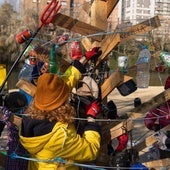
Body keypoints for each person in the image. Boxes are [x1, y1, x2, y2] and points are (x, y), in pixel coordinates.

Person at [19, 47, 102, 170]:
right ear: (60, 102)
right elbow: (90, 150)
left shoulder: (33, 112)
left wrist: (83, 60)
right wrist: (91, 119)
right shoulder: (60, 137)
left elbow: (61, 86)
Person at [0, 91, 28, 170]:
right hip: (17, 153)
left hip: (16, 153)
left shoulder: (7, 115)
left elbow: (5, 113)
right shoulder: (9, 116)